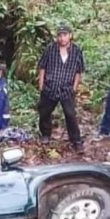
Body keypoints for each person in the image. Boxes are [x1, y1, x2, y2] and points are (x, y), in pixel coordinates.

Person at [37, 24, 85, 153]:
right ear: (57, 37)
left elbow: (78, 70)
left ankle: (76, 141)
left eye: (65, 35)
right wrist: (41, 84)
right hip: (50, 87)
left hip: (66, 89)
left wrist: (74, 87)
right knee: (44, 112)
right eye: (60, 35)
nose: (62, 38)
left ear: (70, 35)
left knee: (70, 115)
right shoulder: (50, 49)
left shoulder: (76, 51)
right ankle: (45, 134)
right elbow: (42, 66)